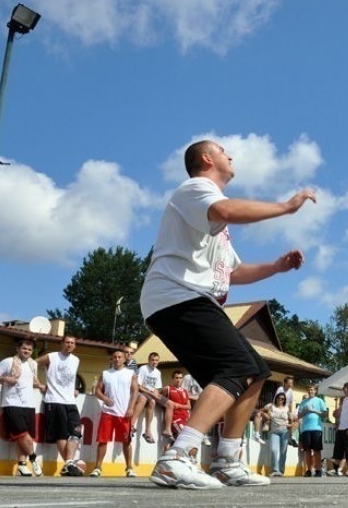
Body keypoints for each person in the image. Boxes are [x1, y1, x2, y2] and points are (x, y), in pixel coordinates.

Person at [139, 139, 315, 489]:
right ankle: (177, 457)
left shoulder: (214, 222)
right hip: (177, 295)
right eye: (223, 151)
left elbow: (233, 272)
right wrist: (285, 207)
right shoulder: (195, 189)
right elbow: (227, 210)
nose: (230, 156)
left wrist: (276, 267)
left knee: (256, 372)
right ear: (206, 159)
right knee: (238, 367)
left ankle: (226, 461)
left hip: (187, 299)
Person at [0, 338, 45, 476]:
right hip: (11, 403)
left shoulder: (33, 364)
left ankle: (22, 465)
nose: (26, 351)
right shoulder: (8, 362)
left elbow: (32, 381)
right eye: (24, 348)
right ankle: (33, 459)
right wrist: (5, 379)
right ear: (17, 349)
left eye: (29, 349)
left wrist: (41, 386)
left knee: (24, 437)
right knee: (23, 434)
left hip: (28, 404)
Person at [39, 334, 83, 476]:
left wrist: (75, 388)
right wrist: (39, 384)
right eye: (67, 342)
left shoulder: (76, 360)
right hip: (54, 400)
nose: (69, 345)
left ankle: (68, 463)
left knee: (76, 433)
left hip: (70, 401)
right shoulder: (51, 356)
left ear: (74, 345)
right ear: (62, 344)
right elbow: (33, 364)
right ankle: (69, 465)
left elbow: (70, 377)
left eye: (72, 343)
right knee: (61, 435)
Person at [90, 348, 138, 478]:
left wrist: (131, 408)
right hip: (108, 413)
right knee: (102, 441)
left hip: (124, 413)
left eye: (119, 357)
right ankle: (98, 468)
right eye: (115, 357)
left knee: (126, 442)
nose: (117, 359)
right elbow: (98, 391)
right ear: (111, 359)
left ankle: (129, 468)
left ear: (124, 359)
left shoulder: (131, 373)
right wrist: (104, 398)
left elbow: (135, 392)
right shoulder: (105, 373)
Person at [254, 391, 294, 477]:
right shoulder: (270, 406)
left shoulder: (287, 408)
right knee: (273, 450)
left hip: (285, 431)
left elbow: (291, 419)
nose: (281, 400)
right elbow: (260, 411)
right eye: (279, 398)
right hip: (274, 432)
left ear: (284, 400)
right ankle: (275, 470)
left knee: (283, 452)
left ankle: (281, 471)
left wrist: (290, 425)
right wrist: (265, 415)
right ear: (276, 399)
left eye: (283, 399)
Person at [131, 352, 163, 443]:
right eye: (152, 360)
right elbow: (139, 386)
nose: (154, 362)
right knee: (146, 399)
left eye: (156, 360)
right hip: (141, 392)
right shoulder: (143, 369)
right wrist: (151, 394)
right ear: (149, 360)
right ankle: (131, 425)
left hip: (150, 394)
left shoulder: (158, 372)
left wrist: (155, 394)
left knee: (154, 401)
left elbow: (157, 388)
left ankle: (147, 431)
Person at [297, 383, 328, 478]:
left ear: (315, 391)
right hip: (306, 429)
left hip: (316, 428)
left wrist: (314, 411)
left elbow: (325, 414)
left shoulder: (320, 401)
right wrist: (305, 411)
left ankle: (318, 469)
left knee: (317, 450)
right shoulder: (303, 402)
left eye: (312, 389)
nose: (311, 391)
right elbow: (298, 416)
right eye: (309, 389)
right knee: (307, 450)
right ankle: (309, 470)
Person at [161, 370, 192, 445]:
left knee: (184, 439)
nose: (178, 380)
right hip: (175, 419)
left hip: (185, 418)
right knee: (182, 436)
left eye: (180, 378)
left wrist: (178, 405)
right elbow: (158, 397)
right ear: (173, 379)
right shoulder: (168, 388)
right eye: (176, 378)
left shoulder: (185, 391)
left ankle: (170, 450)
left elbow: (189, 406)